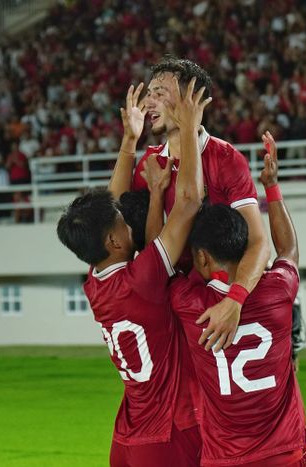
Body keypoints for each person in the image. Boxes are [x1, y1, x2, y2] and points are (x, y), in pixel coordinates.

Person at [56, 79, 211, 466]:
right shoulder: (143, 278)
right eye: (123, 224)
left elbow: (112, 203)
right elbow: (190, 203)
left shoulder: (95, 282)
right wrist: (190, 129)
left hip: (127, 433)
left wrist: (130, 142)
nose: (130, 224)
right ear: (112, 241)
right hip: (169, 433)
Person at [167, 132, 306, 466]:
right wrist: (271, 186)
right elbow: (288, 250)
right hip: (284, 452)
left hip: (225, 458)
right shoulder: (278, 291)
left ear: (201, 258)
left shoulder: (190, 305)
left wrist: (164, 193)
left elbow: (162, 260)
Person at [131, 56, 271, 351]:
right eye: (149, 93)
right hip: (182, 301)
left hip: (234, 299)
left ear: (190, 101)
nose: (149, 101)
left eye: (159, 93)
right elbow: (151, 249)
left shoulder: (225, 158)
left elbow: (259, 242)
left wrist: (234, 301)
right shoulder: (150, 163)